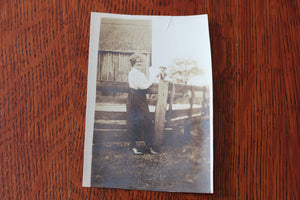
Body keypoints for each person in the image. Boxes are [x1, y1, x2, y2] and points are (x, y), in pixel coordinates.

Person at [127, 53, 159, 155]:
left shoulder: (140, 73)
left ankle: (149, 146)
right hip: (135, 98)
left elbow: (146, 84)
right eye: (137, 62)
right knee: (136, 121)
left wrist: (150, 81)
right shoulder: (133, 73)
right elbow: (143, 86)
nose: (139, 63)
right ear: (133, 63)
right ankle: (134, 147)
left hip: (141, 98)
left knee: (147, 121)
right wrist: (152, 79)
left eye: (141, 62)